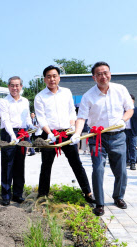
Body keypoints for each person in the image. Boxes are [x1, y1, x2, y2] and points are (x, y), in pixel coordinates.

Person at [71, 61, 134, 216]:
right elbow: (81, 118)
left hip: (118, 136)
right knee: (98, 169)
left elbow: (130, 109)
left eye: (105, 73)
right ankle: (99, 203)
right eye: (99, 74)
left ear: (110, 74)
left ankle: (118, 197)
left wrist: (123, 120)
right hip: (97, 138)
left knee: (121, 171)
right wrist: (77, 134)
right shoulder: (88, 96)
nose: (103, 76)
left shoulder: (121, 89)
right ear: (94, 77)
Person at [34, 65, 95, 203]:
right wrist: (49, 133)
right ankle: (42, 196)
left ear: (59, 78)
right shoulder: (40, 97)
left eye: (54, 76)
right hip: (49, 135)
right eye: (48, 76)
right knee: (46, 165)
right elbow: (41, 117)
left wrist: (73, 128)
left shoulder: (66, 92)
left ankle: (88, 193)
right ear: (44, 79)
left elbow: (71, 111)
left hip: (67, 133)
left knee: (76, 164)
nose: (52, 79)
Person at [0, 76, 35, 206]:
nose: (15, 88)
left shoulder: (25, 101)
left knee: (20, 163)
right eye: (12, 85)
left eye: (17, 85)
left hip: (22, 133)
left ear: (21, 87)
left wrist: (32, 126)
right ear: (8, 87)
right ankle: (6, 195)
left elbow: (27, 117)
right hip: (9, 134)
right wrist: (12, 135)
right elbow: (5, 120)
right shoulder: (4, 102)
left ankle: (18, 194)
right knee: (8, 164)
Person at [125, 94, 137, 170]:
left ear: (133, 101)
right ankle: (127, 161)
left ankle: (133, 163)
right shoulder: (123, 109)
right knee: (124, 147)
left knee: (133, 147)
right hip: (124, 131)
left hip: (133, 131)